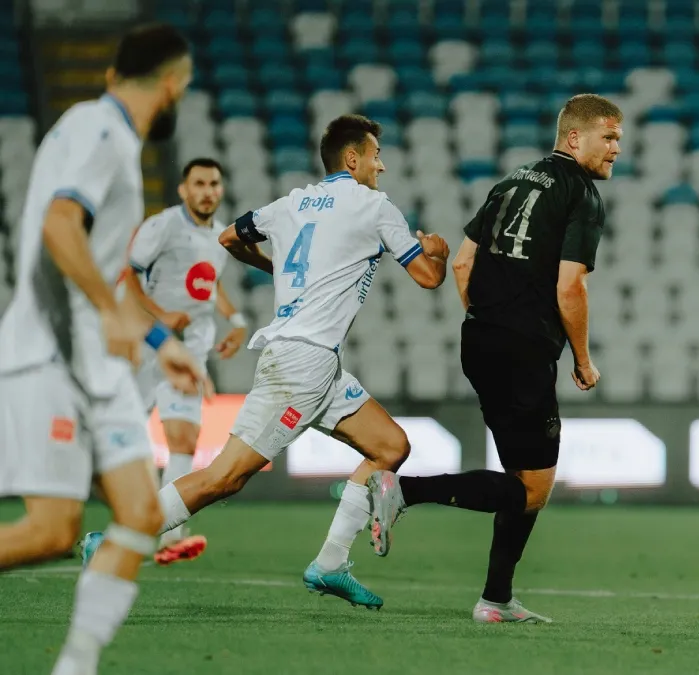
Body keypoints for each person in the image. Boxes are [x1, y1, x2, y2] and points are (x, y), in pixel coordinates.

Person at [80, 114, 449, 611]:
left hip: (318, 365)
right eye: (376, 155)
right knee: (224, 478)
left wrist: (276, 270)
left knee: (390, 446)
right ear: (352, 158)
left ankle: (331, 564)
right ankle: (112, 542)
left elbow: (229, 237)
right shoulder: (373, 206)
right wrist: (440, 252)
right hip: (302, 365)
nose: (382, 166)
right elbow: (428, 277)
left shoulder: (291, 203)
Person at [367, 94, 622, 623]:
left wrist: (486, 319)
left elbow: (463, 264)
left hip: (479, 339)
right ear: (576, 138)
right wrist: (583, 358)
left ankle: (497, 599)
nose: (617, 148)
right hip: (524, 348)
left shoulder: (512, 181)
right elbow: (570, 286)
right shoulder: (581, 194)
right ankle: (402, 491)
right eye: (609, 136)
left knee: (520, 478)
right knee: (532, 487)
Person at [0, 24, 207, 675]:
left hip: (95, 358)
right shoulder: (99, 129)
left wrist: (155, 338)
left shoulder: (106, 135)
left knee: (143, 511)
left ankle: (76, 665)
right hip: (54, 353)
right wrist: (107, 318)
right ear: (172, 85)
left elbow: (101, 267)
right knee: (52, 530)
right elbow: (61, 226)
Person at [126, 157, 249, 562]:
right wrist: (159, 316)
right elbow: (124, 275)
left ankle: (169, 535)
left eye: (214, 183)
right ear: (183, 189)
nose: (207, 191)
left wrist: (236, 320)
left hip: (190, 350)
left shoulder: (220, 238)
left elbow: (207, 285)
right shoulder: (163, 226)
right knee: (119, 437)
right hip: (144, 345)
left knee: (182, 439)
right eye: (199, 183)